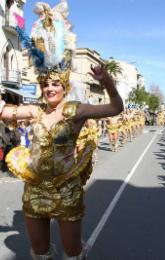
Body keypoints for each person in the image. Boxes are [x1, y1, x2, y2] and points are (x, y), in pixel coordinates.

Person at [1, 1, 124, 259]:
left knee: (72, 251)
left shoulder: (76, 111)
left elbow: (115, 108)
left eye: (55, 83)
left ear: (64, 85)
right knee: (40, 250)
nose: (50, 88)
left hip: (67, 189)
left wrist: (107, 81)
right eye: (45, 84)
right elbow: (3, 111)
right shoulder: (35, 111)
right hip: (35, 189)